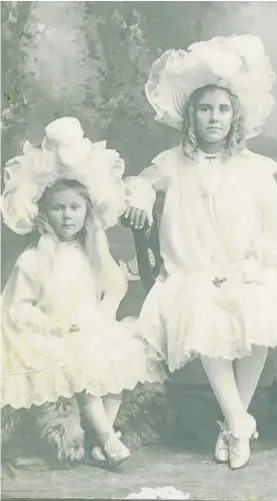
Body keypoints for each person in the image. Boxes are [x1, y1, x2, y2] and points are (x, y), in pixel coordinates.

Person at [122, 35, 277, 469]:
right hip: (193, 271)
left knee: (262, 307)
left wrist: (250, 265)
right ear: (190, 115)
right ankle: (238, 420)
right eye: (205, 108)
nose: (214, 117)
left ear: (236, 117)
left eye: (223, 109)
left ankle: (234, 424)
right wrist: (138, 196)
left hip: (250, 265)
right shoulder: (173, 162)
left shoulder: (255, 168)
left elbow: (275, 229)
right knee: (203, 309)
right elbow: (140, 182)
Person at [1, 117, 164, 465]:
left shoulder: (92, 249)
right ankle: (107, 437)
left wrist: (104, 314)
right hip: (49, 332)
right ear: (44, 213)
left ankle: (99, 440)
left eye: (75, 208)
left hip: (91, 325)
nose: (67, 217)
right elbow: (18, 308)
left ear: (87, 211)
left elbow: (114, 284)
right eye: (58, 209)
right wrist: (55, 326)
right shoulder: (34, 259)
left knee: (122, 355)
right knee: (80, 361)